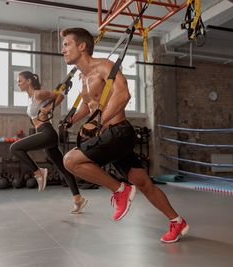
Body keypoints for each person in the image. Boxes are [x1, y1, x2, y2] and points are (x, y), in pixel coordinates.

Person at [60, 28, 189, 243]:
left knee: (70, 160)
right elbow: (88, 105)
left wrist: (97, 122)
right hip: (110, 136)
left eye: (66, 44)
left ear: (81, 46)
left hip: (118, 132)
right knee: (143, 182)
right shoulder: (83, 78)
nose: (62, 49)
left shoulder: (104, 67)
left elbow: (123, 94)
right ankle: (177, 221)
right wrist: (71, 120)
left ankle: (120, 190)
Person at [10, 71, 88, 214]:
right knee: (63, 168)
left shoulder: (38, 94)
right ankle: (78, 199)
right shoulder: (30, 98)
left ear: (28, 81)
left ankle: (39, 172)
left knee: (15, 148)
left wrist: (47, 109)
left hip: (47, 132)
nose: (18, 83)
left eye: (20, 80)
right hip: (43, 133)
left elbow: (59, 96)